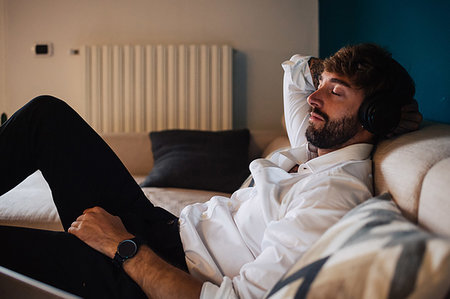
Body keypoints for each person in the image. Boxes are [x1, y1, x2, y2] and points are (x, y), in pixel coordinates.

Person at [0, 43, 421, 298]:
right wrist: (330, 75)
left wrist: (122, 246)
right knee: (46, 117)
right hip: (165, 228)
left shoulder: (332, 197)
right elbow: (294, 70)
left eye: (336, 91)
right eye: (323, 83)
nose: (315, 97)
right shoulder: (318, 141)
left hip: (157, 271)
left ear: (373, 117)